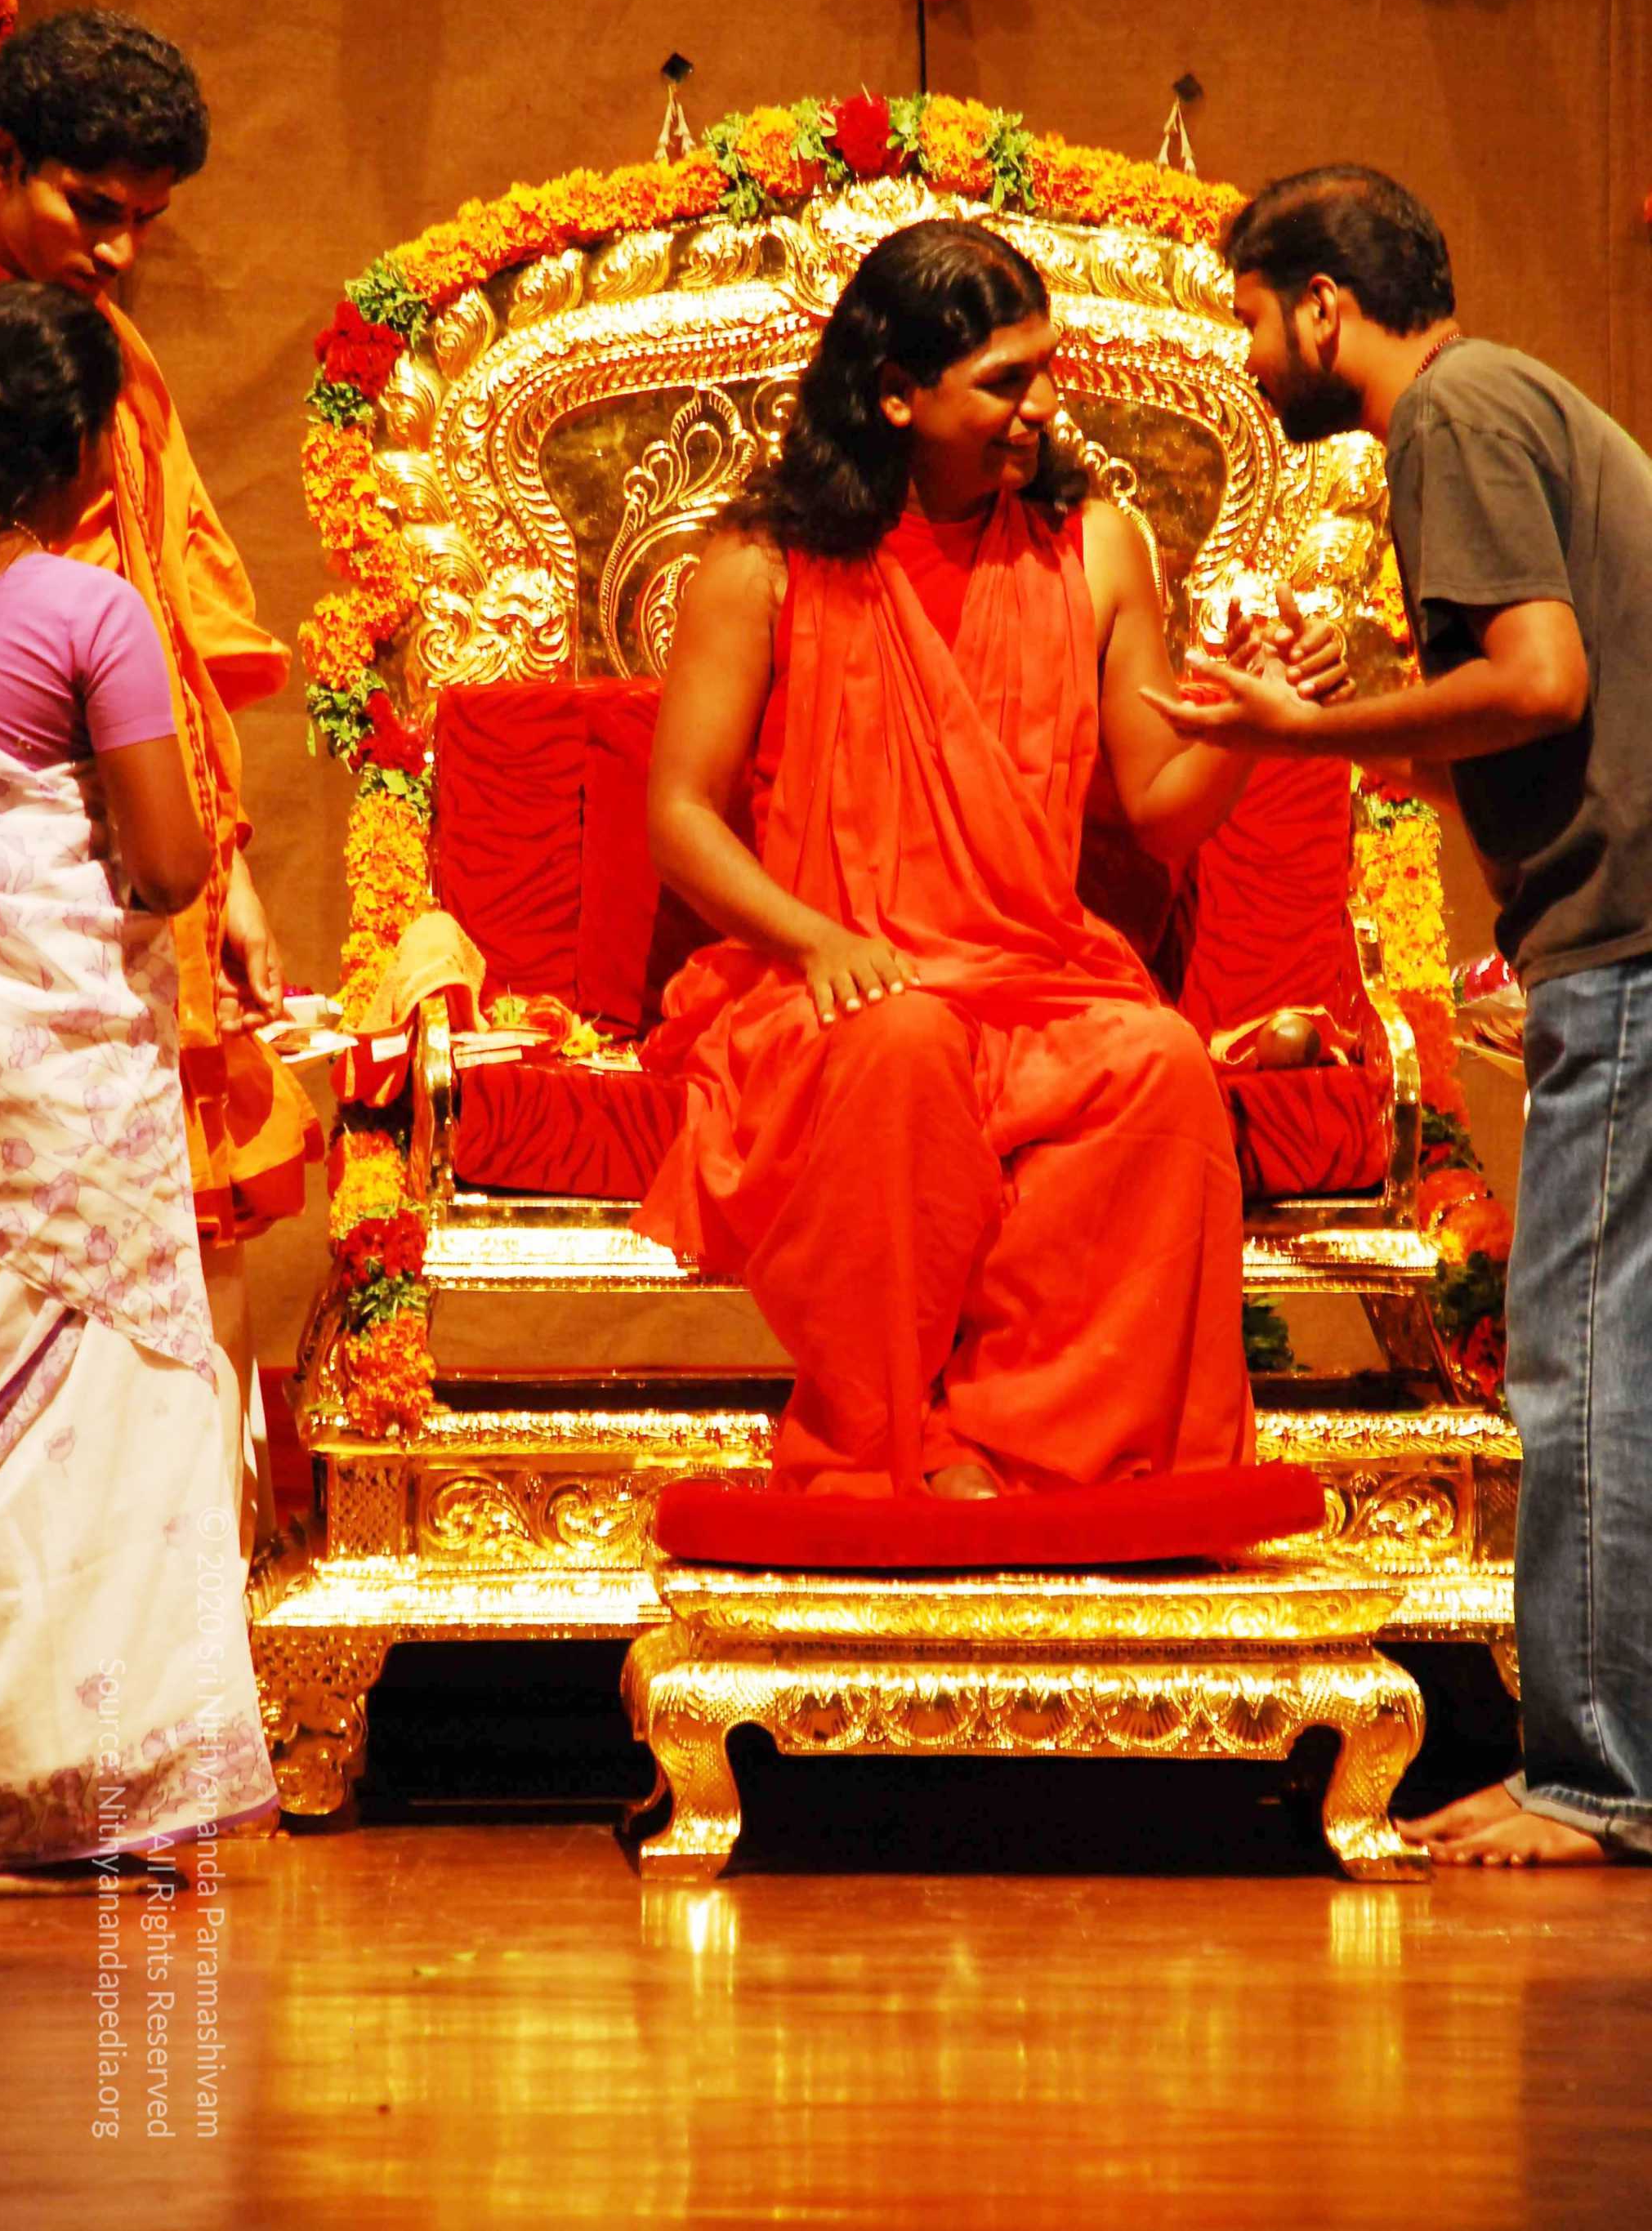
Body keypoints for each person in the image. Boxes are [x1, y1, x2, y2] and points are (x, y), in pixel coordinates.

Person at [637, 218, 1342, 1501]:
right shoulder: (760, 563)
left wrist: (1257, 728)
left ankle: (1048, 1452)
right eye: (1005, 381)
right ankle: (894, 1445)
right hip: (831, 979)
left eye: (1047, 369)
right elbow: (678, 815)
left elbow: (1159, 811)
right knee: (903, 1044)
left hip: (1035, 976)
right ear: (894, 394)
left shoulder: (1094, 547)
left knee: (1160, 1062)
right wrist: (816, 938)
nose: (1045, 407)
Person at [1145, 163, 1652, 1869]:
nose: (1247, 358)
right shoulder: (1495, 402)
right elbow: (1506, 714)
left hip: (1627, 937)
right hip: (1611, 933)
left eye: (1250, 319)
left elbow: (1537, 680)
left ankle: (1598, 1779)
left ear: (1322, 304)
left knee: (1580, 1361)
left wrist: (1292, 736)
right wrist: (1346, 710)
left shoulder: (1448, 411)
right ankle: (1598, 1764)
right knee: (1605, 1351)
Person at [0, 10, 322, 1556]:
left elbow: (163, 611)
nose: (115, 250)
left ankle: (170, 1598)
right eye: (89, 208)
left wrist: (224, 872)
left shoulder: (111, 355)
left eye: (144, 221)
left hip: (137, 873)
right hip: (8, 918)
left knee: (176, 1231)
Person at [0, 283, 277, 1891]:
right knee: (91, 1401)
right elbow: (161, 865)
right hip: (65, 1084)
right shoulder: (86, 611)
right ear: (75, 446)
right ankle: (61, 1785)